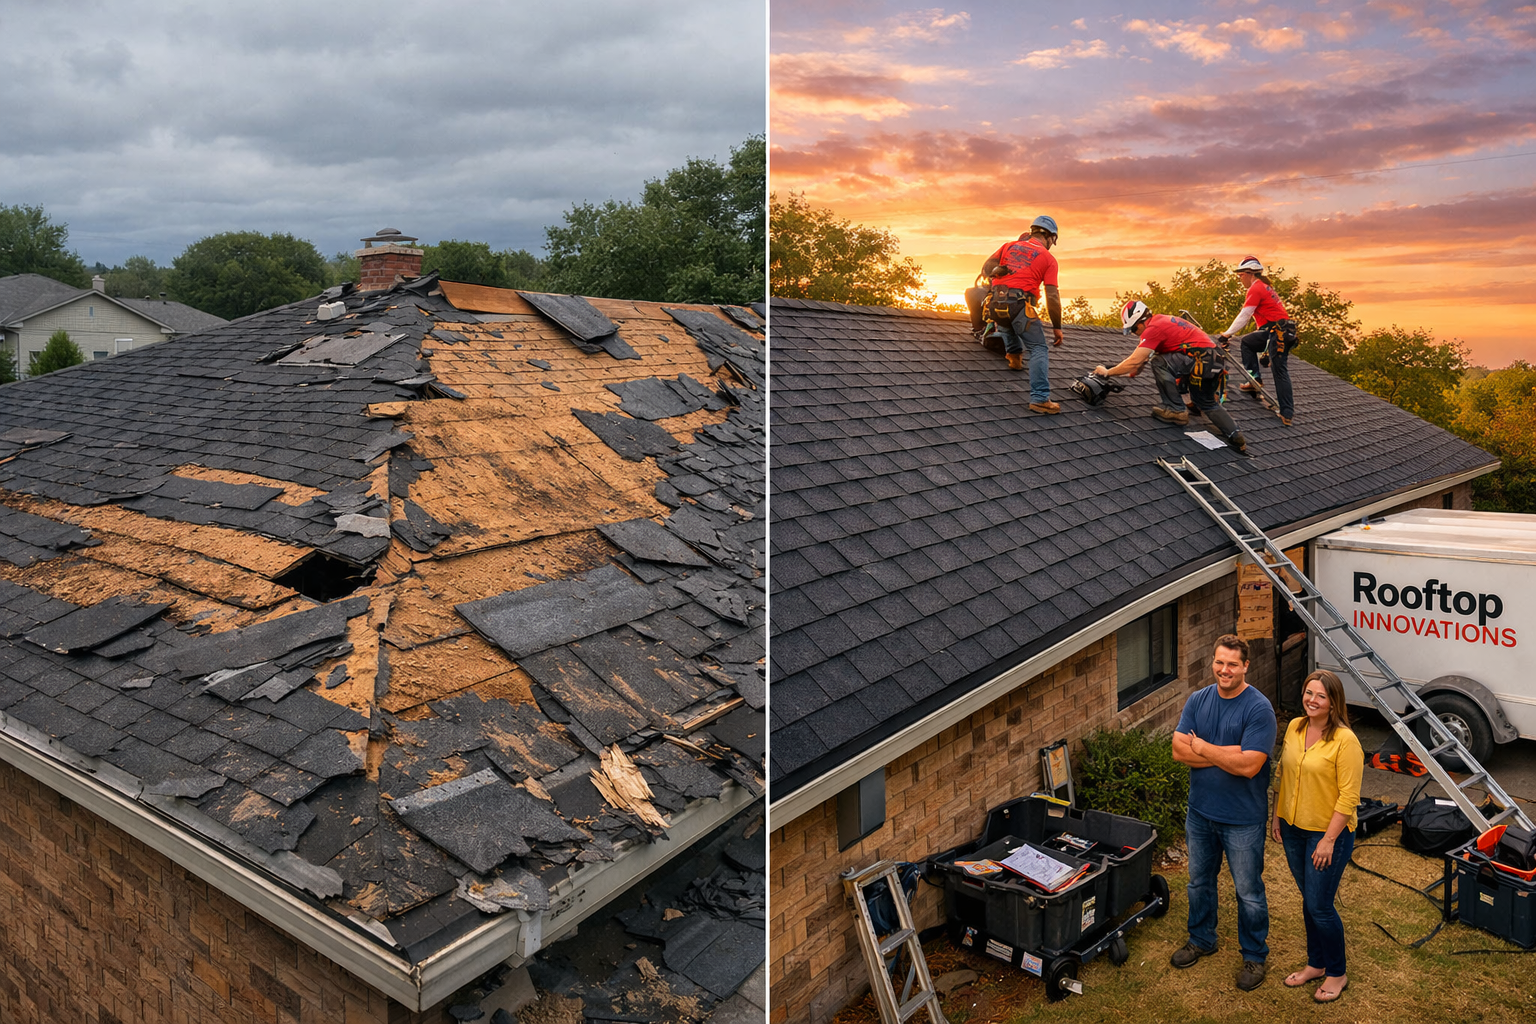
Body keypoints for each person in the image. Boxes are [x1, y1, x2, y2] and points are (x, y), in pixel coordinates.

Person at [1170, 635, 1276, 991]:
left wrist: (1201, 745)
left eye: (1232, 664)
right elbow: (1178, 751)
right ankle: (1201, 939)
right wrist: (1225, 752)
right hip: (1200, 813)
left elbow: (1249, 766)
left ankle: (1254, 955)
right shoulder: (1198, 700)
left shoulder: (1258, 708)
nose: (1224, 670)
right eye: (1219, 662)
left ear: (1246, 666)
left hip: (1243, 818)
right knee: (1199, 882)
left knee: (1248, 891)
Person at [1272, 669, 1362, 1004]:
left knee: (1320, 906)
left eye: (1320, 696)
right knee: (1310, 902)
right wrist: (1277, 815)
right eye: (1309, 693)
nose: (1312, 700)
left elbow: (1349, 797)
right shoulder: (1296, 727)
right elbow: (1283, 773)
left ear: (1333, 702)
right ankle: (1316, 964)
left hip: (1328, 835)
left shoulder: (1345, 741)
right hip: (1294, 829)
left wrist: (1327, 840)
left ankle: (1337, 973)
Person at [1094, 300, 1247, 453]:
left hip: (1200, 359)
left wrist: (1107, 372)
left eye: (1134, 329)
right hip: (1214, 360)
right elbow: (1139, 364)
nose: (1136, 333)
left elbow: (1135, 361)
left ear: (1140, 322)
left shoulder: (1152, 329)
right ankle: (1235, 435)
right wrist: (1131, 370)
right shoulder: (1163, 321)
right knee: (1206, 403)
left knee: (1159, 362)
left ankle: (1175, 410)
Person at [981, 215, 1064, 414]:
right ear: (1051, 237)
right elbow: (1052, 296)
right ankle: (1040, 398)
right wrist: (1057, 327)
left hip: (995, 305)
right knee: (1038, 348)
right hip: (1019, 305)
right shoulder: (1048, 259)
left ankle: (1014, 357)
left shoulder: (1009, 246)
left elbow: (986, 269)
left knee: (1006, 319)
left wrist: (998, 270)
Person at [1216, 256, 1297, 426]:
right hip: (1277, 331)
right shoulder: (1265, 287)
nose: (1240, 279)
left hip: (1278, 334)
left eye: (1240, 276)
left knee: (1279, 370)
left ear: (1249, 273)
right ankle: (1255, 380)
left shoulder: (1256, 288)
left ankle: (1286, 413)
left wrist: (1227, 334)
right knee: (1248, 343)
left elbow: (1245, 315)